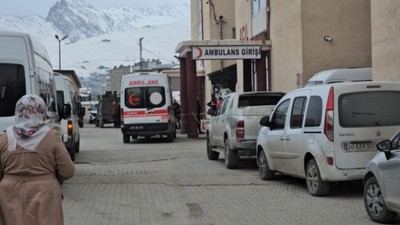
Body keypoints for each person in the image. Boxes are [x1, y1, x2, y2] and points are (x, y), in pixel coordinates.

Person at [0, 94, 75, 225]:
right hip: (44, 192)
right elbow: (68, 171)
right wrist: (50, 176)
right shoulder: (52, 137)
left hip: (9, 194)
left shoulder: (4, 138)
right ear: (41, 112)